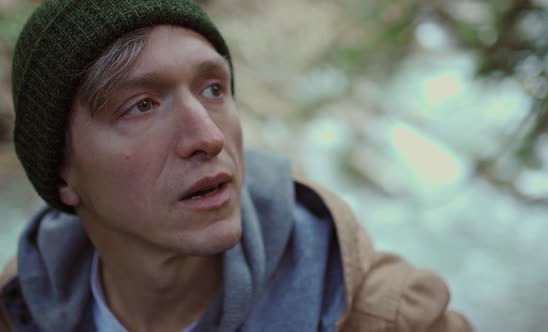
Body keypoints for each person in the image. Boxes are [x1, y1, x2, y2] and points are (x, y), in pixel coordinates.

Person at [0, 1, 473, 331]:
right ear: (62, 173)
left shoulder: (385, 314)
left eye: (213, 89)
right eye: (141, 105)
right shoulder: (17, 310)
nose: (208, 136)